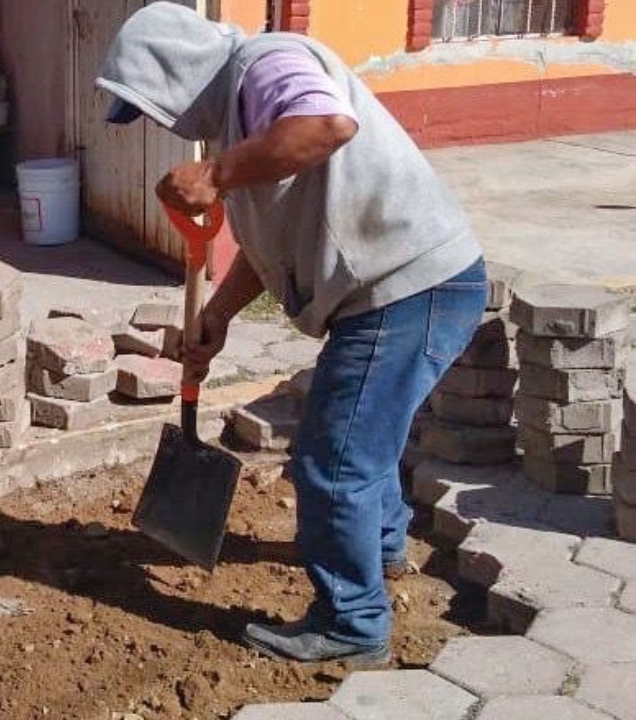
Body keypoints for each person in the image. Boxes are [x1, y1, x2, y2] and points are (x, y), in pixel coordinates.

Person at [97, 3, 485, 665]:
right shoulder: (245, 129)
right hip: (398, 289)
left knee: (332, 463)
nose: (165, 122)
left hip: (409, 287)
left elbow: (329, 124)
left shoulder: (268, 63)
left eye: (156, 105)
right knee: (364, 439)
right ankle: (383, 548)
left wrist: (215, 175)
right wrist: (217, 313)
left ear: (177, 71)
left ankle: (352, 623)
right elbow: (268, 239)